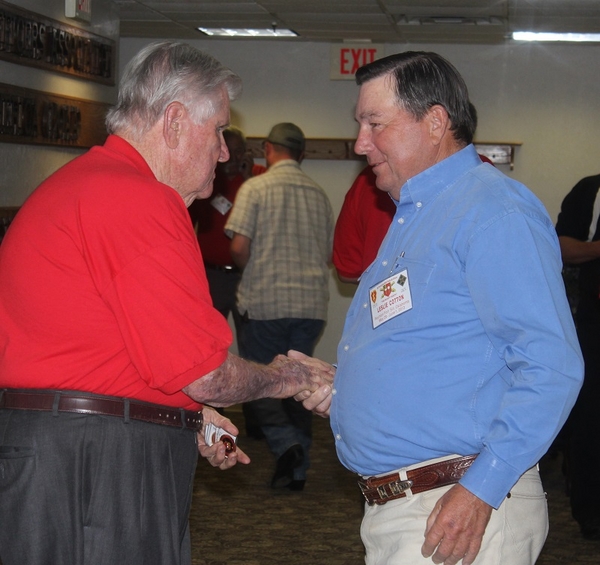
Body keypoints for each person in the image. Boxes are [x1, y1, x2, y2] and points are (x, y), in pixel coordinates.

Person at [0, 41, 327, 565]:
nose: (224, 151)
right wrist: (287, 378)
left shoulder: (87, 184)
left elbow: (114, 348)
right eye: (218, 129)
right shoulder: (137, 198)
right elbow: (205, 374)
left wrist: (189, 415)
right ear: (174, 121)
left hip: (65, 452)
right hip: (97, 461)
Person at [293, 51, 583, 565]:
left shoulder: (495, 213)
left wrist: (480, 489)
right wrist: (346, 390)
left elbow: (551, 366)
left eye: (374, 123)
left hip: (456, 506)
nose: (360, 143)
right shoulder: (418, 215)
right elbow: (431, 349)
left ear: (434, 122)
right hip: (409, 506)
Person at [225, 122, 334, 491]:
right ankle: (297, 468)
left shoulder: (255, 188)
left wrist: (249, 269)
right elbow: (329, 254)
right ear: (301, 155)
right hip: (310, 306)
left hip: (266, 302)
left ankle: (286, 444)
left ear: (268, 149)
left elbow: (239, 248)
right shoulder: (318, 193)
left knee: (261, 382)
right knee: (302, 381)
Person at [332, 104, 493, 285]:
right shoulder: (485, 177)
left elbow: (348, 270)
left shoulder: (368, 180)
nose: (361, 145)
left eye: (376, 124)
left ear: (437, 125)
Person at [555, 173, 600, 540]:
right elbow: (561, 246)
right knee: (590, 419)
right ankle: (591, 512)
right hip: (592, 320)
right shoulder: (590, 190)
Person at [188, 126, 266, 335]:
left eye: (239, 150)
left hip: (247, 273)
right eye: (229, 150)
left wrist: (248, 178)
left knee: (251, 336)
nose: (233, 156)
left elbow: (268, 218)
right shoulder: (206, 181)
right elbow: (187, 224)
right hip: (213, 275)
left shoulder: (259, 178)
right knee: (209, 335)